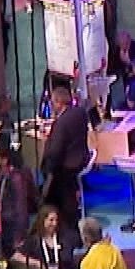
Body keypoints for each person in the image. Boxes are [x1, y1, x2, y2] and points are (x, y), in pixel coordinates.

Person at [40, 82, 91, 224]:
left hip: (68, 166)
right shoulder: (80, 112)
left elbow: (56, 151)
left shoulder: (61, 123)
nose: (51, 106)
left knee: (50, 174)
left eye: (52, 103)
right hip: (82, 158)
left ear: (58, 102)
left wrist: (47, 168)